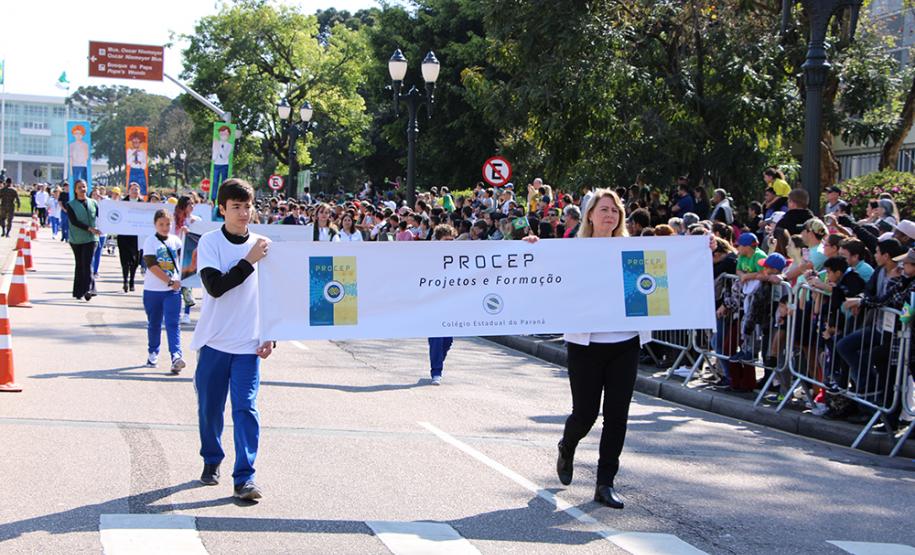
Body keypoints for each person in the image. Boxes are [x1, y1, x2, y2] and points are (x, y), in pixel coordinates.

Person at [555, 188, 648, 509]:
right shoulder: (573, 250)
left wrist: (700, 247)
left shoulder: (634, 251)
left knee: (617, 416)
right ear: (590, 215)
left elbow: (668, 273)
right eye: (604, 209)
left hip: (625, 344)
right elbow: (545, 274)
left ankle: (605, 483)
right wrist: (533, 249)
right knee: (585, 413)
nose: (610, 214)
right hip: (586, 345)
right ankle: (567, 446)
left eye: (615, 210)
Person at [191, 178, 274, 501]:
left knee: (246, 409)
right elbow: (216, 287)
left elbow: (273, 296)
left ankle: (245, 477)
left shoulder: (263, 245)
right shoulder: (210, 243)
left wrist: (271, 335)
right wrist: (248, 261)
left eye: (247, 206)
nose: (243, 213)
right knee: (210, 408)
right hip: (213, 341)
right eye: (236, 207)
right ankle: (212, 459)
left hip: (247, 345)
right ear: (222, 209)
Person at [142, 209, 185, 373]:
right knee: (154, 323)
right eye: (161, 224)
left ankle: (176, 356)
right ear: (155, 224)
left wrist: (180, 281)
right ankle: (153, 352)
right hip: (153, 290)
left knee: (173, 323)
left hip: (172, 291)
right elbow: (152, 265)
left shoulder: (176, 241)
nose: (165, 227)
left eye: (168, 224)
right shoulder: (150, 242)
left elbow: (185, 259)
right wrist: (168, 281)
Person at [427, 224, 457, 385]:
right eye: (446, 240)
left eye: (452, 240)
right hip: (432, 304)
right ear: (438, 240)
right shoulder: (428, 256)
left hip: (450, 304)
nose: (449, 243)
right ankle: (436, 371)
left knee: (447, 341)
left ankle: (438, 361)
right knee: (436, 338)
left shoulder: (458, 257)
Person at [65, 180, 100, 301]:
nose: (82, 189)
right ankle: (78, 291)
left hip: (92, 239)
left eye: (84, 187)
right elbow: (74, 221)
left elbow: (101, 216)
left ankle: (89, 289)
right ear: (75, 190)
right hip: (77, 239)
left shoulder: (94, 203)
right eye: (79, 187)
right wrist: (88, 228)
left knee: (87, 262)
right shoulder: (70, 204)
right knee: (80, 264)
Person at [117, 183, 143, 292]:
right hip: (124, 236)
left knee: (135, 260)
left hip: (137, 237)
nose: (134, 191)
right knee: (125, 260)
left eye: (136, 190)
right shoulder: (122, 203)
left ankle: (132, 280)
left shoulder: (143, 204)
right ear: (128, 191)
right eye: (132, 189)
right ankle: (125, 281)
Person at [126, 130, 148, 194]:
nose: (135, 143)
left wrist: (140, 163)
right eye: (134, 142)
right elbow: (128, 163)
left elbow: (144, 165)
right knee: (132, 185)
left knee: (142, 186)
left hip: (140, 171)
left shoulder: (143, 152)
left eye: (137, 142)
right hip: (133, 170)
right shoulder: (129, 151)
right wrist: (133, 154)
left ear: (140, 142)